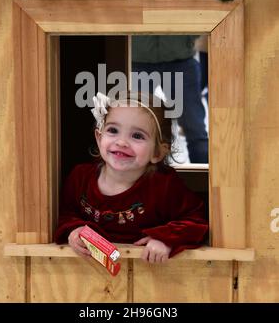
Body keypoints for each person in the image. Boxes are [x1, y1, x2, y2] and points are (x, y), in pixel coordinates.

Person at [54, 91, 208, 263]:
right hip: (88, 276)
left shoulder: (164, 186)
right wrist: (73, 230)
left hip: (148, 278)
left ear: (157, 152)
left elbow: (197, 220)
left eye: (137, 136)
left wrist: (166, 239)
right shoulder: (80, 178)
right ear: (99, 137)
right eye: (113, 130)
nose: (121, 142)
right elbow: (63, 214)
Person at [131, 35, 208, 163]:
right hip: (137, 61)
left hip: (181, 60)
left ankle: (205, 180)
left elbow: (202, 15)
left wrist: (188, 37)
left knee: (195, 130)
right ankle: (140, 180)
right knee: (135, 129)